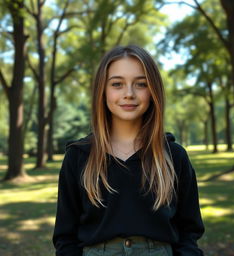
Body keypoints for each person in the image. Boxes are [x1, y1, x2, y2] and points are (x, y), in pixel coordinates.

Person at [52, 45, 205, 256]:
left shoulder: (174, 156)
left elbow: (189, 232)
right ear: (102, 90)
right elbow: (65, 237)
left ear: (153, 91)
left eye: (141, 84)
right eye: (117, 84)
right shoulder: (79, 156)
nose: (129, 94)